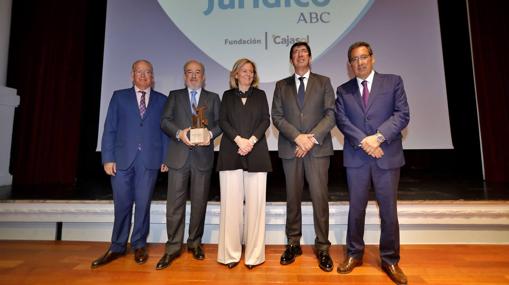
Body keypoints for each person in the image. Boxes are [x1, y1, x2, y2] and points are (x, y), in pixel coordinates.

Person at [335, 41, 410, 285]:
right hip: (357, 157)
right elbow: (342, 121)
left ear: (372, 58)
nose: (360, 63)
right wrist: (364, 142)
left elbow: (402, 114)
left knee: (388, 211)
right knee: (356, 210)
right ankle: (354, 254)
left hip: (386, 155)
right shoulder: (343, 90)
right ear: (350, 65)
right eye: (354, 60)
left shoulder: (393, 81)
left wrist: (378, 138)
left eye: (363, 57)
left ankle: (390, 259)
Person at [92, 59, 168, 268]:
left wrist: (165, 158)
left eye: (148, 72)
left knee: (143, 205)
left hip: (149, 161)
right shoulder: (119, 97)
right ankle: (117, 246)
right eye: (139, 72)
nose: (143, 76)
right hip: (122, 160)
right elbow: (109, 129)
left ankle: (139, 245)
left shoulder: (162, 100)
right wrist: (107, 158)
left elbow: (165, 133)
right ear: (132, 75)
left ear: (153, 77)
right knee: (122, 205)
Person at [271, 42, 336, 272]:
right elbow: (276, 116)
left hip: (317, 149)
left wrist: (311, 138)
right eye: (296, 53)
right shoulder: (281, 85)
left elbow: (331, 114)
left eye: (304, 52)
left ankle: (323, 247)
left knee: (320, 198)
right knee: (292, 197)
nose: (300, 55)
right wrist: (298, 137)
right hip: (291, 148)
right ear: (291, 59)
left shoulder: (324, 82)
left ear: (310, 57)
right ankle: (293, 242)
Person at [157, 60, 222, 270]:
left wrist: (210, 135)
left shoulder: (213, 98)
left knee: (199, 203)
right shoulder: (174, 96)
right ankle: (173, 247)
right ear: (185, 76)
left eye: (197, 73)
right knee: (174, 205)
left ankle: (195, 243)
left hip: (202, 157)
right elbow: (165, 121)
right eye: (189, 73)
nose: (193, 76)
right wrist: (179, 133)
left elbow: (221, 123)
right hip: (179, 157)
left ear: (203, 76)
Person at [216, 58, 272, 269]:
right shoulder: (227, 96)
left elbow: (265, 120)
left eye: (251, 71)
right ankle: (230, 255)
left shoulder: (260, 95)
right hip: (231, 153)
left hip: (256, 153)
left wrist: (251, 142)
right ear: (236, 74)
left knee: (256, 208)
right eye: (244, 70)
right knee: (230, 207)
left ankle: (254, 256)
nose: (248, 74)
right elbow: (223, 121)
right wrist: (239, 140)